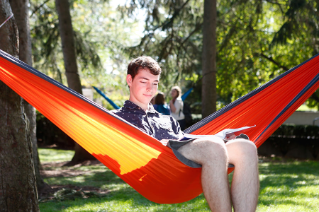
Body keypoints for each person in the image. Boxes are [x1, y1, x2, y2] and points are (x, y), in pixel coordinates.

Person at [112, 56, 259, 212]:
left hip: (182, 164)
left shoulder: (166, 119)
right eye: (144, 82)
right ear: (130, 80)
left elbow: (183, 139)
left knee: (246, 148)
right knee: (213, 147)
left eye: (154, 83)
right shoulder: (116, 118)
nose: (150, 89)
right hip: (158, 168)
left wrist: (220, 137)